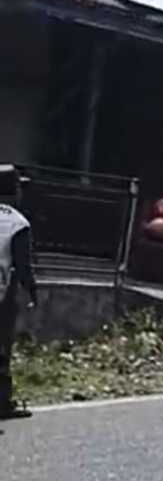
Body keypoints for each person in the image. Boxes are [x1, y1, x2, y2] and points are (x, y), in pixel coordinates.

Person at [0, 166, 36, 420]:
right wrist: (32, 291)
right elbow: (23, 265)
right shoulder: (17, 222)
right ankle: (2, 403)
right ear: (13, 192)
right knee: (2, 348)